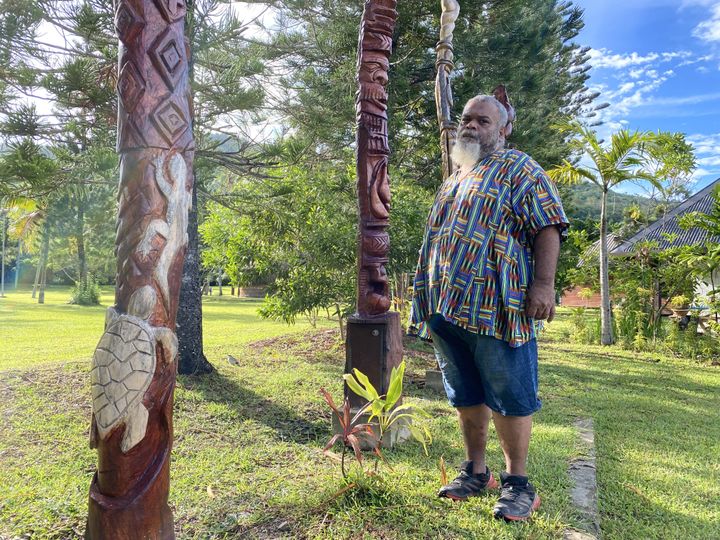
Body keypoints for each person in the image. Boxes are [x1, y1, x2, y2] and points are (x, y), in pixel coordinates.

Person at [410, 93, 569, 521]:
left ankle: (518, 483)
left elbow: (548, 225)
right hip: (446, 304)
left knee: (510, 395)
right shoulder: (457, 175)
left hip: (496, 305)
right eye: (466, 119)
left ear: (504, 129)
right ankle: (475, 471)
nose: (471, 126)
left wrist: (543, 284)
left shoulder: (521, 168)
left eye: (482, 120)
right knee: (466, 393)